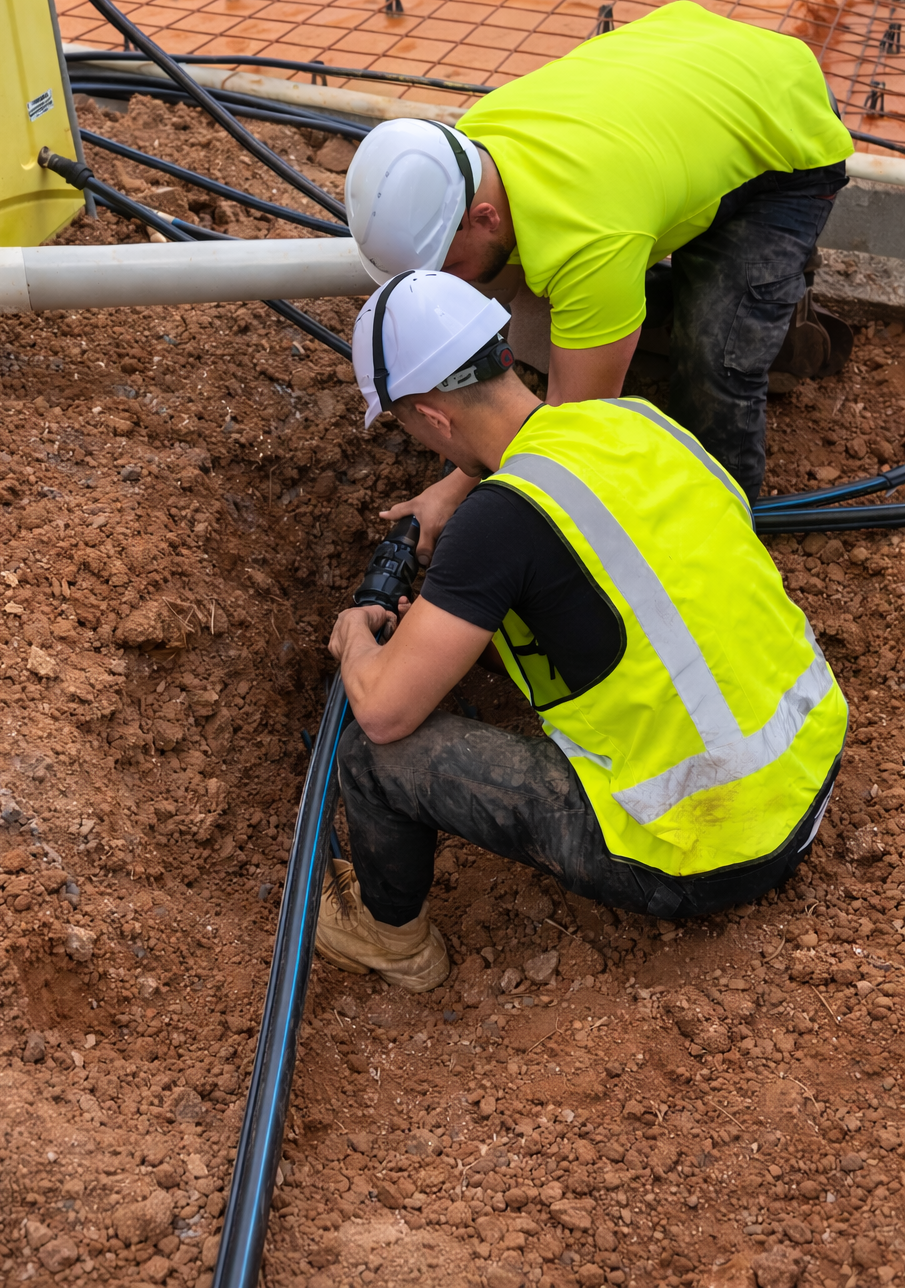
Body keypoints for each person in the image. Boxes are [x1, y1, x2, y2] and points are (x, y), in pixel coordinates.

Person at [314, 270, 847, 992]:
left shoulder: (498, 521)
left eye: (406, 423)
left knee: (375, 757)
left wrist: (357, 638)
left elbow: (383, 710)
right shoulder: (638, 423)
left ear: (434, 418)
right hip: (807, 778)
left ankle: (392, 939)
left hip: (698, 852)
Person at [344, 1, 853, 542]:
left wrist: (452, 492)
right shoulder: (471, 150)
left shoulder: (593, 241)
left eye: (450, 268)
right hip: (695, 75)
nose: (452, 285)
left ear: (485, 217)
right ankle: (748, 298)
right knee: (558, 312)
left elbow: (575, 425)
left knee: (715, 357)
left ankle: (720, 527)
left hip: (785, 120)